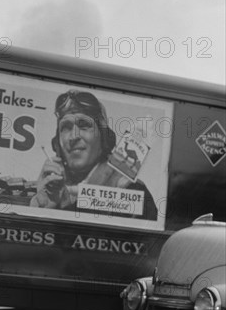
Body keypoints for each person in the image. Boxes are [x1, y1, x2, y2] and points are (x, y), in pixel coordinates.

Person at [30, 90, 157, 220]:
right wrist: (45, 210)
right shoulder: (49, 190)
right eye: (66, 127)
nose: (73, 136)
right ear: (57, 143)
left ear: (104, 138)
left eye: (84, 125)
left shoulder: (133, 191)